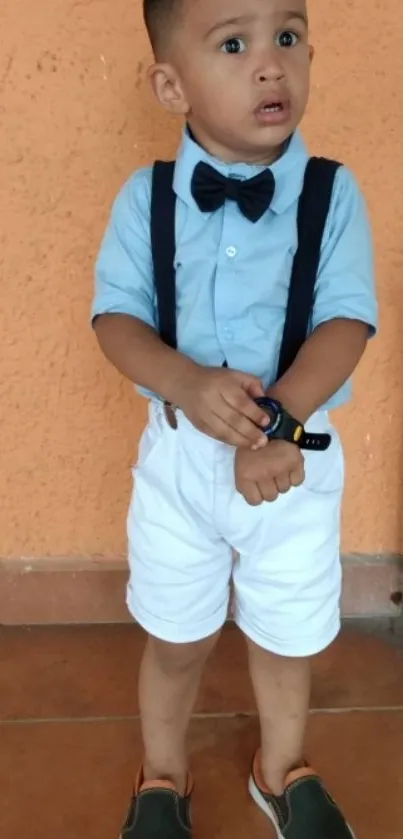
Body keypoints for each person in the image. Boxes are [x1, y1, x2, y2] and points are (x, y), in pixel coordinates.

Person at [91, 0, 378, 835]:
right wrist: (181, 379)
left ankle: (281, 767)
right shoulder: (146, 199)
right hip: (181, 466)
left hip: (293, 465)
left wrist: (278, 426)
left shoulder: (331, 193)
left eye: (287, 38)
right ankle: (162, 775)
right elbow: (116, 321)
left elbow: (344, 323)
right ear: (171, 84)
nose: (269, 64)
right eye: (234, 43)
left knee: (285, 636)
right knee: (175, 635)